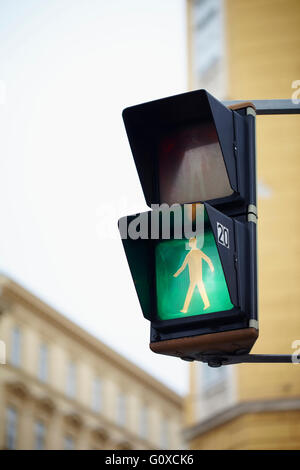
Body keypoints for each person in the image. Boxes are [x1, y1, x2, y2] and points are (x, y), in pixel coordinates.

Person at [173, 237, 214, 313]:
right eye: (192, 243)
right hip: (194, 278)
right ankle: (205, 304)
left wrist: (211, 266)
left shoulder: (197, 252)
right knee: (197, 291)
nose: (193, 244)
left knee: (195, 291)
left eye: (194, 243)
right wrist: (175, 274)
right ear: (191, 244)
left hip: (198, 277)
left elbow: (207, 259)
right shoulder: (189, 254)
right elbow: (183, 266)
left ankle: (186, 309)